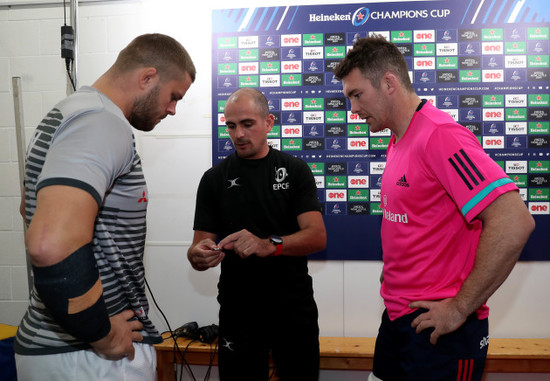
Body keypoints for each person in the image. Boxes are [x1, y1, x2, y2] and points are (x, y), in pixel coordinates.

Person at [334, 36, 535, 381]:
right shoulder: (399, 139)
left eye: (356, 95)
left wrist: (459, 308)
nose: (353, 109)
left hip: (442, 333)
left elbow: (514, 220)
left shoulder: (439, 136)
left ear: (388, 83)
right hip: (400, 319)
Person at [14, 33, 196, 381]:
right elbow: (49, 242)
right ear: (147, 77)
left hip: (65, 351)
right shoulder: (102, 123)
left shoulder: (67, 113)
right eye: (174, 96)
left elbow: (29, 208)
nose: (173, 109)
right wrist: (103, 335)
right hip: (87, 358)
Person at [188, 88, 326, 381]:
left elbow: (317, 237)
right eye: (231, 125)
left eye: (248, 124)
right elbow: (197, 248)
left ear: (269, 122)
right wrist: (199, 256)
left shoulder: (295, 170)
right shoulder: (214, 179)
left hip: (292, 308)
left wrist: (270, 245)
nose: (238, 133)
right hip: (239, 310)